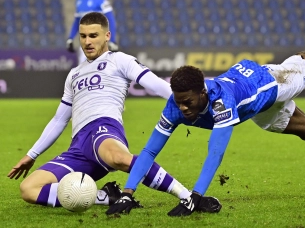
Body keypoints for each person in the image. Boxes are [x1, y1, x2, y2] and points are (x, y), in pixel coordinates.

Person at [107, 0, 305, 217]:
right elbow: (150, 149)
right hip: (255, 108)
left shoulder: (222, 103)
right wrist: (128, 192)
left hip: (271, 83)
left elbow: (215, 152)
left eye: (188, 102)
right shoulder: (175, 104)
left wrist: (194, 195)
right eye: (179, 102)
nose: (182, 108)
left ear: (203, 93)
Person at [8, 12, 221, 214]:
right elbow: (59, 119)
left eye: (93, 35)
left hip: (103, 129)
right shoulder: (74, 74)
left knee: (119, 157)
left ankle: (188, 197)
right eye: (82, 36)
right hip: (78, 146)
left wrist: (189, 104)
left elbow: (155, 84)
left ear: (107, 35)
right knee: (28, 189)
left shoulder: (120, 60)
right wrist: (31, 155)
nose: (87, 42)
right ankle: (105, 196)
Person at [66, 0, 119, 64]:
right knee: (83, 70)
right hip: (86, 43)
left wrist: (113, 40)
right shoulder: (79, 0)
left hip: (100, 42)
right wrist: (70, 38)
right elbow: (77, 22)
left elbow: (110, 19)